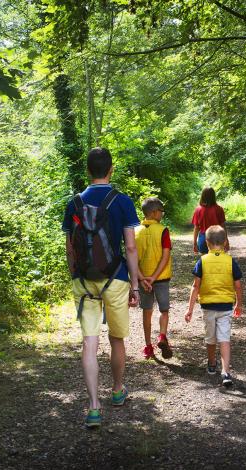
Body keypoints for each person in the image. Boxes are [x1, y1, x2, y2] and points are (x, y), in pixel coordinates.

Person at [63, 147, 141, 428]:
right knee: (116, 339)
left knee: (89, 342)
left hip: (83, 281)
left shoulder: (74, 203)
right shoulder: (122, 201)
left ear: (87, 171)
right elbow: (130, 246)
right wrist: (134, 284)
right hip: (115, 278)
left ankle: (94, 407)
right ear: (111, 169)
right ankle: (117, 390)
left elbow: (70, 248)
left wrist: (76, 276)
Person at [184, 225, 243, 387]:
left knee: (210, 338)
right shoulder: (231, 261)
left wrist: (189, 309)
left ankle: (211, 364)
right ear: (225, 242)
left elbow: (196, 286)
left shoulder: (202, 261)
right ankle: (226, 371)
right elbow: (238, 285)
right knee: (224, 339)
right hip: (226, 306)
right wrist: (239, 304)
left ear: (207, 243)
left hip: (208, 307)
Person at [135, 197, 174, 360]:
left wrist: (143, 278)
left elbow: (132, 257)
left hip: (142, 279)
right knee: (164, 310)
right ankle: (162, 336)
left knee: (147, 311)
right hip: (161, 278)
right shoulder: (163, 230)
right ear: (154, 212)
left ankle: (148, 346)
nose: (162, 215)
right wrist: (154, 277)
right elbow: (165, 256)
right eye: (161, 211)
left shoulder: (135, 231)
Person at [191, 187, 229, 254]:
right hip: (218, 238)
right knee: (217, 260)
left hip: (203, 238)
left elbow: (196, 228)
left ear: (202, 196)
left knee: (205, 262)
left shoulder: (198, 210)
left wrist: (194, 243)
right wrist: (226, 240)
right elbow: (223, 227)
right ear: (213, 196)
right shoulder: (219, 209)